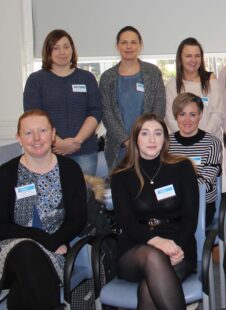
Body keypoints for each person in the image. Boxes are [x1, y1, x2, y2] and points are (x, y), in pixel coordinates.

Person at [111, 113, 199, 309]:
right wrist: (156, 242)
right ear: (135, 139)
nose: (152, 140)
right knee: (153, 256)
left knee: (148, 288)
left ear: (165, 139)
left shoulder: (182, 167)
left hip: (179, 245)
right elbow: (126, 221)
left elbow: (191, 218)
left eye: (158, 133)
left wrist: (177, 247)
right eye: (145, 133)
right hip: (136, 248)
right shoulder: (121, 175)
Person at [0, 109, 86, 309]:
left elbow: (78, 218)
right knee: (27, 250)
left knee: (25, 287)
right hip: (9, 253)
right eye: (28, 133)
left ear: (53, 133)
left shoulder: (71, 170)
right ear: (18, 138)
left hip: (54, 251)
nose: (36, 138)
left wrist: (54, 241)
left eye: (43, 131)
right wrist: (43, 239)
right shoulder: (5, 174)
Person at [23, 29, 102, 175]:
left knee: (83, 195)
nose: (62, 52)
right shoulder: (36, 80)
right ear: (48, 52)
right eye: (56, 48)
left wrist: (77, 141)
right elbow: (32, 117)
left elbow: (96, 111)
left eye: (66, 47)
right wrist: (57, 142)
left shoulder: (87, 78)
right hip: (48, 151)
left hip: (84, 150)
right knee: (51, 196)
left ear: (72, 49)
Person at [100, 26, 166, 171]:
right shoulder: (107, 77)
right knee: (121, 190)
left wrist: (144, 138)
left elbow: (159, 108)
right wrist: (127, 140)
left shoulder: (153, 73)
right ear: (117, 46)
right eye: (124, 42)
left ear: (140, 45)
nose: (129, 46)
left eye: (133, 42)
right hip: (119, 148)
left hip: (150, 145)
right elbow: (106, 113)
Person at [169, 93, 222, 227]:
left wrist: (177, 190)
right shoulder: (166, 143)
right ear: (176, 116)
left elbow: (206, 181)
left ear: (200, 115)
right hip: (170, 205)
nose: (187, 120)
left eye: (192, 114)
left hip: (201, 205)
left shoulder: (212, 143)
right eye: (182, 114)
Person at [165, 37, 224, 139]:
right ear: (180, 58)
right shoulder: (171, 85)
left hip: (209, 142)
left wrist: (201, 137)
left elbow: (218, 113)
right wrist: (187, 138)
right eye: (188, 56)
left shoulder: (210, 80)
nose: (193, 60)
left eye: (197, 56)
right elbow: (170, 118)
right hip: (181, 145)